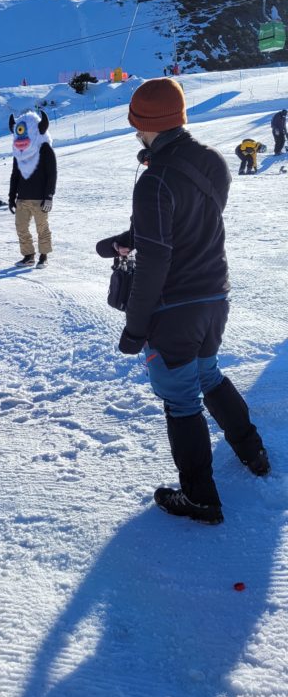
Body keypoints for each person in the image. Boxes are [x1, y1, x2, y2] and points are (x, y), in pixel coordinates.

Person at [96, 78, 269, 526]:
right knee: (208, 374)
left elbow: (155, 263)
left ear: (142, 124)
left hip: (173, 310)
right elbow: (193, 220)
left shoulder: (153, 181)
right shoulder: (212, 161)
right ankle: (253, 452)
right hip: (215, 297)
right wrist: (125, 240)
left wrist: (135, 330)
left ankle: (200, 498)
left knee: (181, 402)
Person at [8, 111, 56, 268]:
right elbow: (15, 175)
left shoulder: (45, 150)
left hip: (39, 199)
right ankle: (28, 256)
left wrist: (49, 196)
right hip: (22, 198)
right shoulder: (19, 154)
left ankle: (44, 256)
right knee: (21, 228)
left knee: (42, 228)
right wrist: (11, 197)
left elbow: (52, 174)